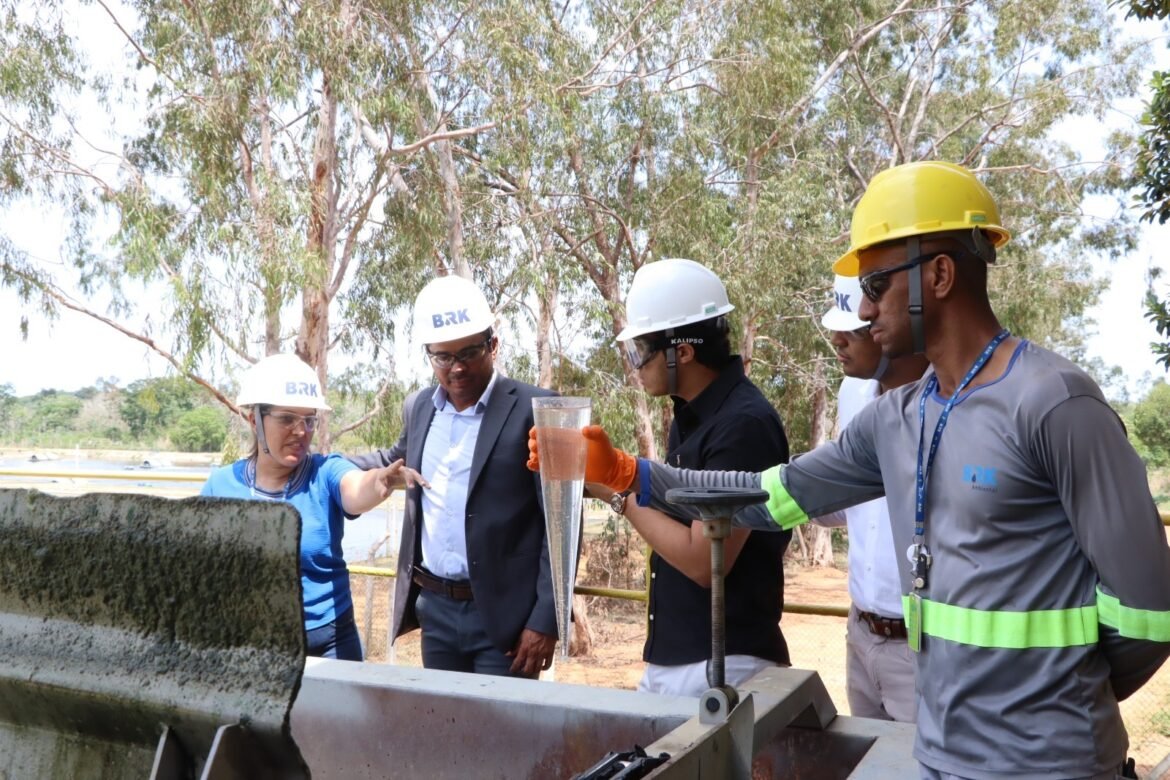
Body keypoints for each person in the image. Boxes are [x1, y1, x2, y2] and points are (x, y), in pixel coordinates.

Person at [531, 161, 1170, 779]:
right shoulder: (895, 419)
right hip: (940, 755)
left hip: (1050, 764)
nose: (863, 312)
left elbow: (1149, 613)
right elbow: (769, 495)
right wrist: (626, 474)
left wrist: (1055, 699)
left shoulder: (1054, 402)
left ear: (940, 274)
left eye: (875, 286)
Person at [350, 274, 558, 678]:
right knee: (445, 731)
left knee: (502, 736)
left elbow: (560, 521)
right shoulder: (420, 407)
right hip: (437, 614)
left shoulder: (537, 408)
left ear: (493, 345)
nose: (457, 368)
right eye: (442, 357)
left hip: (506, 619)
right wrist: (324, 470)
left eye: (469, 353)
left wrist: (544, 618)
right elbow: (392, 459)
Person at [607, 258, 790, 697]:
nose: (635, 366)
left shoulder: (743, 424)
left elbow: (706, 560)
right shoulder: (690, 418)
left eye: (640, 353)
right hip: (682, 656)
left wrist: (616, 490)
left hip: (724, 662)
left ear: (682, 352)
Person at [202, 352, 422, 660]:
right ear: (255, 421)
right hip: (251, 646)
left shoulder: (325, 472)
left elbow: (356, 487)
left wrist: (379, 483)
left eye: (309, 420)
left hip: (330, 644)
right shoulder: (221, 485)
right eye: (287, 419)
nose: (301, 431)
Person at [813, 274, 928, 723]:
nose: (838, 340)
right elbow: (862, 503)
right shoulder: (853, 392)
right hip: (861, 633)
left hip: (922, 648)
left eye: (855, 330)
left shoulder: (950, 404)